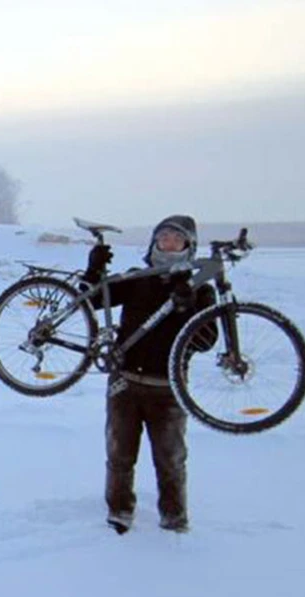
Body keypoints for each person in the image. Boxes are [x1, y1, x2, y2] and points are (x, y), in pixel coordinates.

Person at [81, 215, 216, 535]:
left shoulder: (202, 290)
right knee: (119, 456)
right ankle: (119, 513)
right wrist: (94, 268)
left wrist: (189, 305)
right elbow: (93, 299)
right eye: (163, 236)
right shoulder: (138, 278)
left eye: (176, 238)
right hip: (124, 383)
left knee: (170, 461)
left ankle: (174, 520)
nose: (168, 242)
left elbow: (207, 341)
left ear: (189, 246)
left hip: (168, 389)